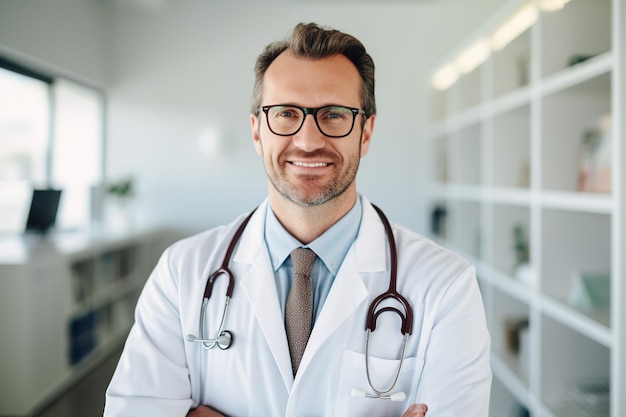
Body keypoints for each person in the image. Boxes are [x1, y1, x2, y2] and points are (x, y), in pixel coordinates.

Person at [104, 22, 491, 417]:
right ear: (257, 131)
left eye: (335, 114)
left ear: (366, 132)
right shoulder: (181, 272)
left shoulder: (445, 287)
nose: (308, 141)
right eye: (287, 114)